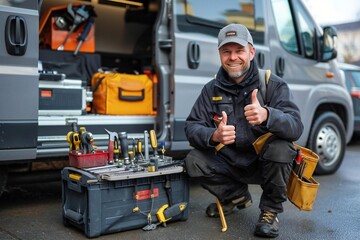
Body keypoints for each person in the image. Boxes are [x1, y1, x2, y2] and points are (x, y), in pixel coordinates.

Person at [184, 23, 304, 238]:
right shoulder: (211, 89)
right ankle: (235, 197)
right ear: (219, 54)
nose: (233, 57)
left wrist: (268, 115)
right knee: (194, 160)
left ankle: (270, 212)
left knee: (281, 149)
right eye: (226, 51)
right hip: (231, 161)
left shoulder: (272, 85)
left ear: (251, 52)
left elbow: (296, 126)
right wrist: (213, 136)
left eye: (239, 50)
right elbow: (192, 126)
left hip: (264, 163)